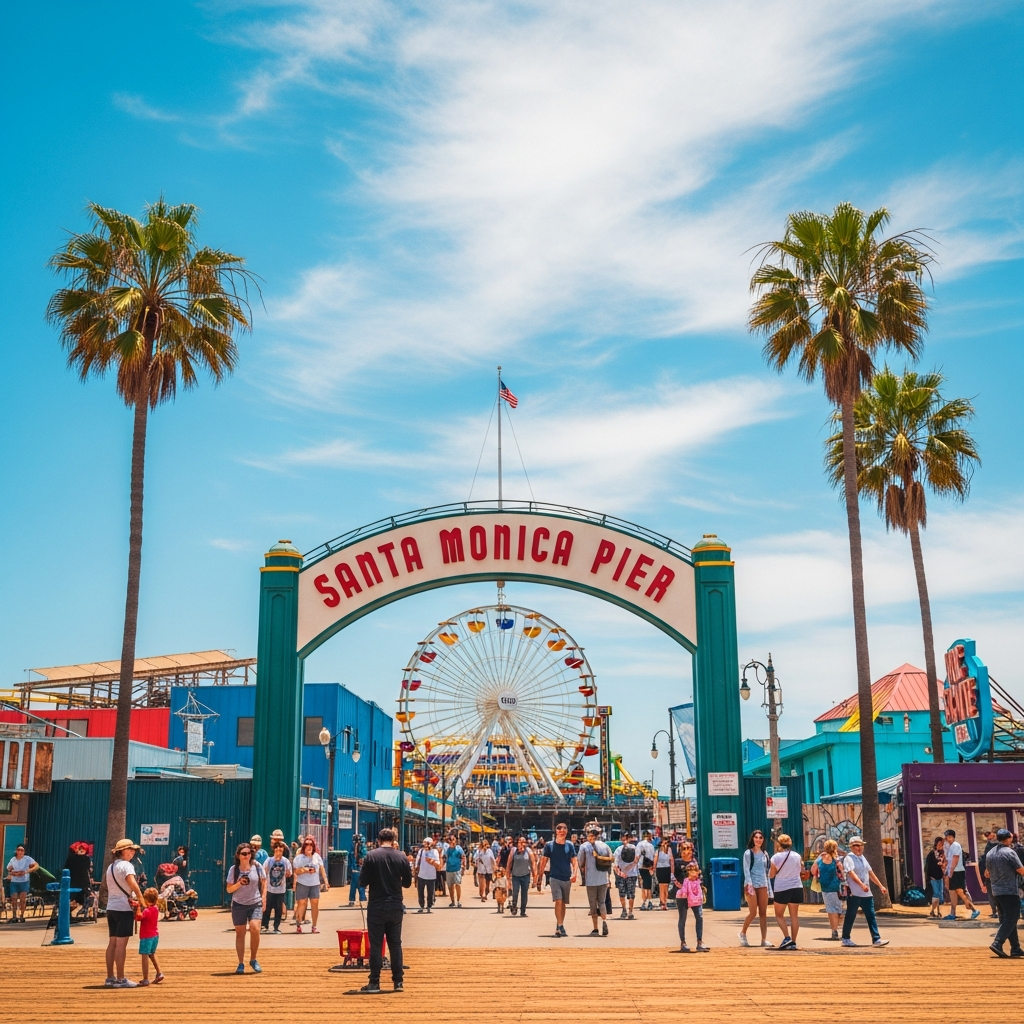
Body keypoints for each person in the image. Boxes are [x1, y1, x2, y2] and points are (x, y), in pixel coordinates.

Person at [358, 827, 412, 993]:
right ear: (393, 839)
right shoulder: (401, 856)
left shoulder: (371, 856)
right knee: (395, 943)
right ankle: (398, 982)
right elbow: (408, 883)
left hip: (377, 905)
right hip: (395, 904)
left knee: (376, 944)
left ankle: (374, 982)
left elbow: (362, 881)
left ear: (378, 840)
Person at [104, 838, 145, 988]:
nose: (133, 852)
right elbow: (132, 884)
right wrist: (141, 899)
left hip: (111, 907)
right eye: (130, 849)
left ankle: (110, 977)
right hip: (123, 908)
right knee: (121, 945)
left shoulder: (111, 867)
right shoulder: (127, 866)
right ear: (123, 851)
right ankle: (121, 978)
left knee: (112, 943)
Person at [226, 841, 266, 973]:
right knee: (240, 933)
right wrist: (239, 884)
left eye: (249, 853)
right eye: (244, 854)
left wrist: (264, 898)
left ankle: (253, 959)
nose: (246, 856)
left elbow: (264, 882)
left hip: (255, 902)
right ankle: (241, 963)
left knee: (255, 928)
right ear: (238, 855)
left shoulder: (257, 866)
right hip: (238, 904)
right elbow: (229, 890)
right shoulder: (234, 870)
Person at [841, 836, 889, 947]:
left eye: (861, 845)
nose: (860, 848)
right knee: (851, 915)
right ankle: (845, 938)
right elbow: (851, 873)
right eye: (857, 845)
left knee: (871, 915)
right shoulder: (849, 858)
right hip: (854, 893)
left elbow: (870, 873)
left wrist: (880, 886)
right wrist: (861, 885)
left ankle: (876, 939)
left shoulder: (862, 857)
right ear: (852, 847)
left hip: (866, 894)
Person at [984, 828, 1024, 958]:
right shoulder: (1009, 853)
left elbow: (987, 873)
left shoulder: (990, 853)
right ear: (1008, 839)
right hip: (1009, 890)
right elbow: (1021, 870)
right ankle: (998, 942)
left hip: (996, 890)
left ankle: (1016, 948)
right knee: (1012, 917)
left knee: (1007, 918)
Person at [537, 822, 577, 937]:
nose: (562, 830)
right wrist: (539, 877)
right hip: (554, 877)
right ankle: (559, 926)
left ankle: (560, 924)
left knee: (563, 903)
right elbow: (543, 861)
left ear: (567, 831)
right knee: (558, 900)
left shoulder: (569, 845)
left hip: (567, 878)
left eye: (564, 828)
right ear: (556, 831)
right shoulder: (549, 845)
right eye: (559, 828)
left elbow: (574, 860)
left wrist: (575, 874)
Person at [768, 833, 804, 950]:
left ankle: (787, 937)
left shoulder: (775, 857)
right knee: (794, 916)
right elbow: (801, 870)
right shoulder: (797, 856)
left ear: (779, 844)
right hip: (796, 887)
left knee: (779, 915)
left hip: (782, 888)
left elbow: (772, 874)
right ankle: (793, 942)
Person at [577, 824, 612, 936]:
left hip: (591, 880)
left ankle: (595, 928)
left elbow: (580, 861)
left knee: (593, 904)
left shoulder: (584, 846)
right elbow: (610, 861)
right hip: (603, 879)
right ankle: (604, 921)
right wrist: (609, 877)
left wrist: (583, 868)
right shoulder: (605, 846)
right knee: (601, 902)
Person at [739, 829, 772, 947]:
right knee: (753, 912)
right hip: (751, 885)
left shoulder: (766, 854)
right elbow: (746, 870)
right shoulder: (748, 853)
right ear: (752, 839)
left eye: (760, 838)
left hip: (763, 885)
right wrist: (749, 885)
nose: (758, 840)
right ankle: (742, 933)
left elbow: (767, 872)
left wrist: (769, 889)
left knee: (763, 913)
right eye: (756, 837)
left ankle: (764, 940)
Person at [293, 836, 329, 933]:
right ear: (304, 846)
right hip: (302, 883)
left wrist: (326, 882)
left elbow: (322, 869)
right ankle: (299, 923)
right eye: (307, 845)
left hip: (314, 884)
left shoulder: (317, 857)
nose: (309, 847)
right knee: (302, 904)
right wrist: (305, 870)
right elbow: (296, 871)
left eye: (311, 845)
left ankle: (314, 926)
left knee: (315, 904)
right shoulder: (299, 858)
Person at [942, 828, 980, 920]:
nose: (948, 839)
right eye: (947, 837)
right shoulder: (950, 846)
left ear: (953, 837)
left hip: (957, 871)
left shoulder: (955, 845)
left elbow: (955, 858)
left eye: (950, 837)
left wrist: (950, 871)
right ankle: (952, 913)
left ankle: (974, 909)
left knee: (960, 892)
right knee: (952, 893)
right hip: (954, 871)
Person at [812, 839, 845, 939]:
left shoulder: (820, 858)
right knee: (838, 908)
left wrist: (819, 876)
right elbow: (842, 873)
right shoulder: (836, 859)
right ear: (835, 848)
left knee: (831, 909)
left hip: (825, 887)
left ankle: (834, 931)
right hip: (837, 887)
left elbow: (813, 870)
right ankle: (837, 928)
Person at [676, 862, 709, 952]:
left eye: (695, 870)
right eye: (690, 870)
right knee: (682, 919)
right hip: (682, 898)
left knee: (699, 917)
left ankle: (700, 942)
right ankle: (683, 942)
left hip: (696, 899)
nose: (693, 872)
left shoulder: (699, 880)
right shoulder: (684, 878)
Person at [5, 845, 39, 923]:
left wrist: (27, 871)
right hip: (14, 882)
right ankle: (14, 916)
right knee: (14, 899)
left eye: (22, 850)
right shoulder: (13, 860)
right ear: (16, 851)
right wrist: (12, 872)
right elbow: (9, 868)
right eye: (19, 850)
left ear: (24, 851)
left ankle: (22, 916)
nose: (20, 852)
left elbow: (37, 866)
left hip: (24, 881)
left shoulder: (27, 859)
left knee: (22, 899)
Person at [137, 887, 164, 985]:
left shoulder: (147, 911)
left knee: (144, 955)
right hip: (155, 935)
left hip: (146, 936)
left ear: (146, 900)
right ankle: (159, 973)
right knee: (152, 953)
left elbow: (139, 917)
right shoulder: (155, 909)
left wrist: (138, 908)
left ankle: (145, 978)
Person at [264, 841, 292, 933]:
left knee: (278, 910)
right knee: (267, 909)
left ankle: (276, 927)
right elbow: (264, 872)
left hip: (280, 890)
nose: (278, 851)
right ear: (274, 850)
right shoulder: (269, 860)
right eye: (277, 849)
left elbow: (289, 874)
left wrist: (288, 873)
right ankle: (265, 926)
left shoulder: (285, 861)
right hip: (270, 889)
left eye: (280, 849)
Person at [507, 835, 536, 917]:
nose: (522, 843)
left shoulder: (529, 851)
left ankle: (523, 911)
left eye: (524, 842)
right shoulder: (513, 850)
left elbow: (533, 863)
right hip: (515, 875)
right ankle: (514, 906)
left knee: (524, 894)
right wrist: (507, 875)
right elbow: (509, 863)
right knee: (515, 892)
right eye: (521, 842)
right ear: (518, 842)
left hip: (525, 875)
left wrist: (535, 877)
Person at [64, 841, 94, 916]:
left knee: (74, 898)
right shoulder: (86, 859)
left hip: (73, 882)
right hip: (82, 883)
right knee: (82, 897)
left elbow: (66, 867)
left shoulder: (70, 858)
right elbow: (88, 869)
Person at [976, 828, 1000, 918]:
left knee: (992, 893)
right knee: (994, 892)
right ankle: (997, 911)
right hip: (996, 873)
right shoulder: (1000, 846)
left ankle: (995, 911)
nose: (989, 836)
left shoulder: (990, 846)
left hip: (992, 873)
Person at [614, 833, 638, 919]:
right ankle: (625, 910)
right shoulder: (618, 850)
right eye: (623, 839)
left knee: (630, 894)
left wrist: (623, 872)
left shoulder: (634, 849)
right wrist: (621, 873)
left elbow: (637, 860)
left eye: (626, 839)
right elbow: (615, 864)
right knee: (622, 893)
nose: (625, 841)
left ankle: (630, 911)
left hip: (630, 874)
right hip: (624, 874)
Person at [413, 837, 441, 913]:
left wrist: (431, 861)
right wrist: (415, 868)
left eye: (427, 843)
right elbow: (417, 861)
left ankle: (429, 906)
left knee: (430, 892)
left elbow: (438, 863)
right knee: (420, 892)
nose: (425, 844)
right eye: (424, 842)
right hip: (421, 875)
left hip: (431, 875)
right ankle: (421, 906)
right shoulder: (421, 851)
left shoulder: (434, 851)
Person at [924, 836, 946, 918]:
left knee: (940, 894)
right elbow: (928, 866)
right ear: (936, 844)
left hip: (940, 877)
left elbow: (944, 865)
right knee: (936, 893)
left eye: (942, 844)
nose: (940, 846)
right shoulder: (931, 854)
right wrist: (930, 876)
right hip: (933, 877)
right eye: (939, 844)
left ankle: (938, 911)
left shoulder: (942, 854)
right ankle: (933, 910)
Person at [444, 832, 466, 907]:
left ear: (455, 840)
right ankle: (452, 901)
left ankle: (458, 901)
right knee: (450, 886)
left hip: (457, 869)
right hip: (449, 869)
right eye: (450, 840)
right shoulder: (447, 849)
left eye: (452, 839)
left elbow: (463, 857)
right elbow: (445, 857)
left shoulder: (459, 848)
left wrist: (463, 866)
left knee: (457, 884)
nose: (451, 841)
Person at [636, 831, 656, 911]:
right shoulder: (651, 846)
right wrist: (653, 867)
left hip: (641, 866)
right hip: (649, 867)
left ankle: (644, 903)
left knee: (643, 885)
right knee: (649, 885)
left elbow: (637, 856)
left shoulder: (640, 844)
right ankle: (650, 902)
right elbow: (653, 856)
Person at [653, 838, 673, 911]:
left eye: (666, 843)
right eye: (664, 843)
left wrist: (672, 871)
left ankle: (665, 902)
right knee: (661, 886)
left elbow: (671, 860)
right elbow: (655, 861)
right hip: (660, 869)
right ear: (660, 843)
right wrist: (653, 869)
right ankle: (662, 903)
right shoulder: (657, 851)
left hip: (667, 869)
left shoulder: (669, 850)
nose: (665, 844)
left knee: (666, 887)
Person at [348, 834, 367, 905]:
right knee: (356, 884)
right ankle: (358, 899)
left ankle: (359, 899)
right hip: (355, 869)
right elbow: (350, 858)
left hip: (359, 869)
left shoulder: (362, 848)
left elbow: (364, 858)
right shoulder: (353, 848)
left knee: (359, 884)